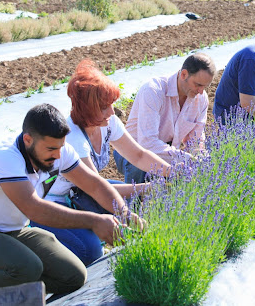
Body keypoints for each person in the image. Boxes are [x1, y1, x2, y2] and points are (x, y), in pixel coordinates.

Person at [0, 104, 141, 296]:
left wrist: (124, 213)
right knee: (27, 266)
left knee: (73, 275)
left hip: (10, 231)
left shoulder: (58, 151)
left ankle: (6, 287)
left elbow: (95, 184)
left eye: (60, 147)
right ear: (28, 140)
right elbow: (34, 209)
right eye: (50, 149)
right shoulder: (4, 156)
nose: (57, 155)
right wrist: (95, 221)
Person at [32, 60, 172, 265]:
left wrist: (174, 172)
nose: (112, 112)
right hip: (54, 204)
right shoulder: (72, 138)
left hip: (81, 195)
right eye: (104, 107)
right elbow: (95, 189)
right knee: (89, 252)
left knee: (133, 200)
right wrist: (147, 188)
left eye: (112, 105)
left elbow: (138, 155)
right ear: (86, 109)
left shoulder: (108, 123)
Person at [115, 53, 216, 184]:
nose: (201, 91)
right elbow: (147, 143)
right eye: (198, 85)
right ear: (184, 74)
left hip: (167, 151)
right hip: (132, 151)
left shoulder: (201, 100)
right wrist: (186, 159)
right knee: (140, 172)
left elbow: (196, 141)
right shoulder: (154, 91)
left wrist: (201, 160)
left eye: (205, 87)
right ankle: (132, 203)